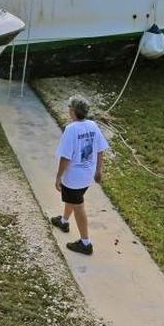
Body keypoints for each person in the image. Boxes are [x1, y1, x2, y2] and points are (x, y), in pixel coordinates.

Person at [51, 95, 109, 255]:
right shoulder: (93, 125)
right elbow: (100, 149)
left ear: (72, 111)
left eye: (69, 107)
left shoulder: (71, 129)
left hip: (73, 178)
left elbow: (65, 156)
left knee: (79, 206)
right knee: (74, 199)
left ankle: (85, 243)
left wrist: (58, 177)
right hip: (87, 175)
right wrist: (98, 170)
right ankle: (63, 221)